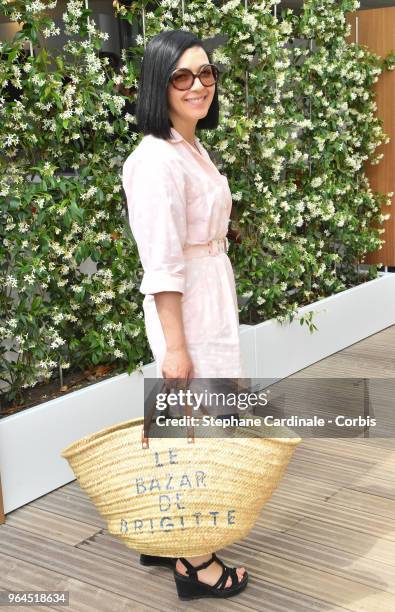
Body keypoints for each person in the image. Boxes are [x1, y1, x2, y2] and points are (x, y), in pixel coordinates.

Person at [122, 29, 248, 600]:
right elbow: (163, 264)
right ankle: (195, 563)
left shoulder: (188, 145)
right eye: (182, 76)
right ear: (159, 84)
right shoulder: (155, 160)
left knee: (179, 423)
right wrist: (175, 347)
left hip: (207, 292)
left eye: (206, 74)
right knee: (201, 427)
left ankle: (169, 533)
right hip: (188, 306)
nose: (198, 85)